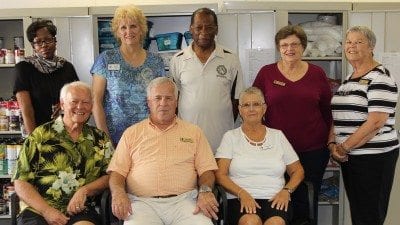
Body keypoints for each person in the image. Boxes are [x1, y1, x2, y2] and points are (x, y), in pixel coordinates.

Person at [107, 77, 219, 225]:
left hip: (185, 202)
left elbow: (207, 171)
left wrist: (205, 191)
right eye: (157, 98)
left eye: (168, 98)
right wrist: (118, 193)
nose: (163, 103)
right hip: (142, 204)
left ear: (177, 102)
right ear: (148, 102)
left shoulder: (194, 132)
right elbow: (117, 173)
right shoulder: (131, 133)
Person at [252, 25, 332, 224]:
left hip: (313, 150)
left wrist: (330, 141)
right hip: (275, 151)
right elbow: (253, 108)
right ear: (278, 48)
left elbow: (327, 111)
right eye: (284, 45)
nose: (290, 49)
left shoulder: (317, 73)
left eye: (295, 44)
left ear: (303, 47)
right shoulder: (266, 73)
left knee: (306, 200)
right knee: (278, 200)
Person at [12, 81, 113, 225]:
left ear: (91, 107)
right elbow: (20, 182)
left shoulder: (99, 138)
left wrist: (85, 190)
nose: (80, 107)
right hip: (39, 210)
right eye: (74, 101)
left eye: (85, 102)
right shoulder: (40, 135)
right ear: (62, 104)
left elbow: (111, 175)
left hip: (80, 210)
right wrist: (47, 211)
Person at [329, 26, 399, 225]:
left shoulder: (380, 77)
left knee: (369, 216)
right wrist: (332, 143)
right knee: (360, 213)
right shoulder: (351, 78)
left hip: (374, 158)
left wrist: (344, 147)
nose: (352, 46)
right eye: (349, 42)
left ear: (371, 47)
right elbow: (338, 116)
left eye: (359, 42)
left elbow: (376, 122)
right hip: (352, 157)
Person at [215, 87, 304, 225]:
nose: (251, 109)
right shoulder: (230, 137)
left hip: (275, 198)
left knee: (275, 223)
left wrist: (286, 191)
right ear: (240, 110)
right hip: (239, 198)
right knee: (251, 222)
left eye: (256, 104)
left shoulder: (278, 136)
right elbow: (220, 175)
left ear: (264, 108)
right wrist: (241, 193)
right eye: (246, 105)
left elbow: (298, 171)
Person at [170, 7, 244, 152]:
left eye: (209, 27)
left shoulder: (230, 58)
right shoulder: (177, 60)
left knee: (220, 174)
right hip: (187, 139)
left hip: (222, 139)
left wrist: (222, 122)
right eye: (198, 27)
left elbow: (237, 99)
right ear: (191, 29)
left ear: (216, 30)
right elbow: (175, 99)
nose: (203, 32)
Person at [91, 4, 166, 146]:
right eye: (123, 27)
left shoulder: (156, 62)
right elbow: (96, 101)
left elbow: (161, 101)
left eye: (133, 26)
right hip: (114, 137)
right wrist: (106, 138)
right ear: (117, 32)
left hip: (149, 136)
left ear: (142, 29)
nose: (128, 31)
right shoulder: (106, 59)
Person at [14, 19, 79, 134]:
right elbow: (26, 110)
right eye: (38, 42)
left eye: (48, 40)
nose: (44, 45)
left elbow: (79, 99)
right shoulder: (24, 68)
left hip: (66, 132)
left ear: (55, 41)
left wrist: (67, 102)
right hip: (37, 131)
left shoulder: (66, 67)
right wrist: (35, 140)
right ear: (33, 46)